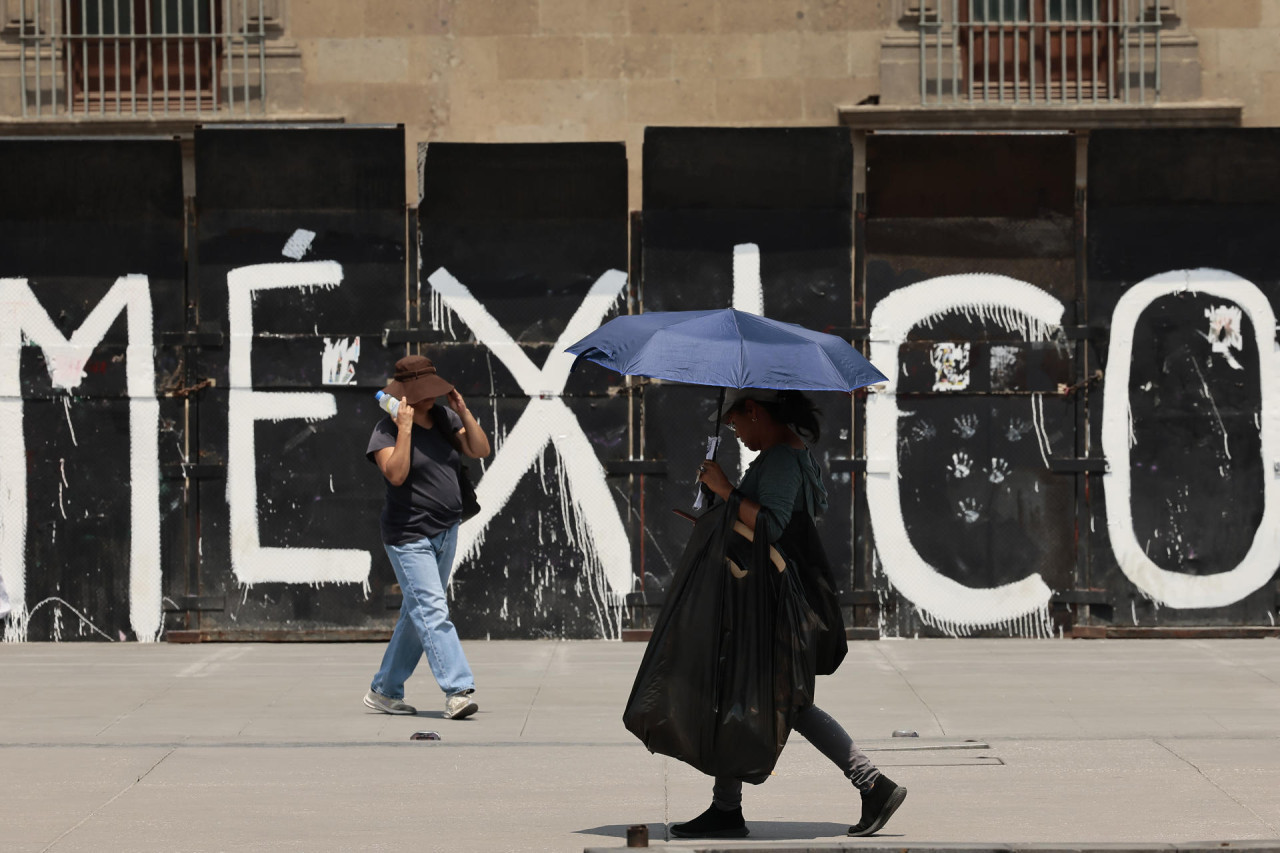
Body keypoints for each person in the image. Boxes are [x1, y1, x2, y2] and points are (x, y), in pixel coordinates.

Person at [673, 388, 908, 840]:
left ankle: (873, 784)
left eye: (737, 423)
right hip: (775, 595)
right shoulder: (788, 454)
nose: (737, 434)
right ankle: (726, 809)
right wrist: (721, 505)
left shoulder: (782, 458)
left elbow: (774, 525)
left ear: (755, 412)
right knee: (742, 692)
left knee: (787, 700)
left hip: (779, 600)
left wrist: (726, 490)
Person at [363, 355, 491, 721]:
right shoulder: (384, 433)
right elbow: (397, 475)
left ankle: (384, 691)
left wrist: (463, 411)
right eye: (425, 392)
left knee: (416, 614)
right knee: (433, 611)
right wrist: (404, 429)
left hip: (446, 530)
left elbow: (480, 449)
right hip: (408, 536)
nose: (431, 398)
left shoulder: (445, 420)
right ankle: (457, 690)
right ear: (407, 395)